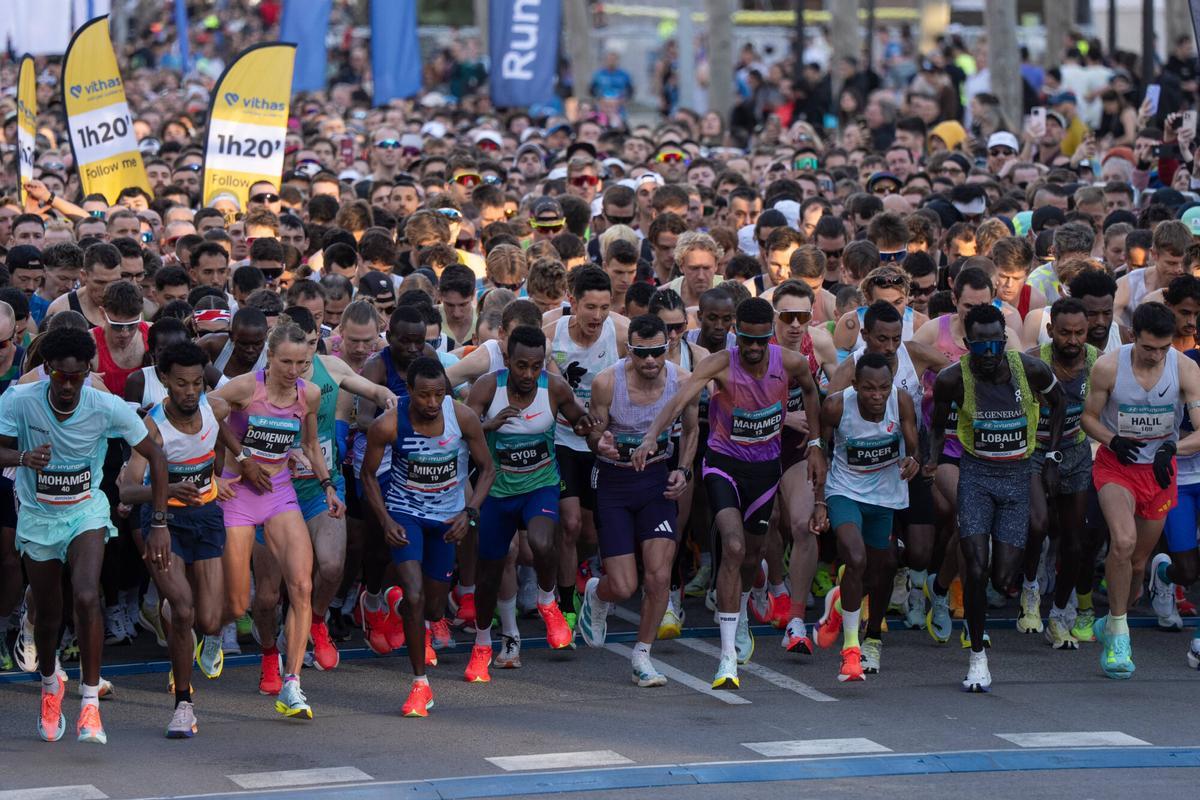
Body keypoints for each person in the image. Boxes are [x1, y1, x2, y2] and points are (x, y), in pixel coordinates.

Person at [635, 298, 824, 689]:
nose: (753, 349)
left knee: (752, 557)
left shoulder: (790, 362)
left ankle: (743, 602)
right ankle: (726, 658)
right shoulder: (719, 363)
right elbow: (679, 400)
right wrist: (652, 436)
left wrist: (817, 442)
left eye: (760, 341)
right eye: (746, 341)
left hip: (764, 469)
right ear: (736, 332)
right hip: (722, 464)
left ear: (769, 334)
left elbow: (810, 391)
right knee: (734, 547)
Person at [0, 327, 168, 744]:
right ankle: (49, 684)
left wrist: (160, 522)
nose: (68, 385)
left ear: (89, 370)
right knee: (48, 611)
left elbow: (157, 455)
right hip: (38, 516)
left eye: (77, 376)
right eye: (60, 376)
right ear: (46, 371)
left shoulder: (105, 405)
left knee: (88, 595)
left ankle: (89, 704)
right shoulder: (20, 401)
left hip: (85, 512)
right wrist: (23, 457)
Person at [210, 315, 343, 719]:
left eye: (301, 363)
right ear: (269, 358)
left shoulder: (310, 394)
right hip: (238, 494)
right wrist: (226, 468)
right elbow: (204, 414)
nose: (293, 371)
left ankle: (292, 684)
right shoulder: (248, 387)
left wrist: (327, 486)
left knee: (301, 585)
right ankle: (211, 633)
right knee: (237, 603)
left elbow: (310, 445)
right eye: (286, 362)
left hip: (279, 493)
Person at [930, 304, 1065, 692]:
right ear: (967, 343)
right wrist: (930, 461)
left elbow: (1059, 406)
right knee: (975, 566)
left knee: (1003, 576)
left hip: (1017, 478)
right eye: (979, 347)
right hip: (976, 477)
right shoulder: (952, 379)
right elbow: (937, 427)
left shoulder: (1030, 369)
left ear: (1003, 341)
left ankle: (941, 588)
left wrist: (1052, 456)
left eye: (995, 346)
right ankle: (976, 656)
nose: (988, 356)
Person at [360, 356, 495, 717]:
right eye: (424, 396)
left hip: (447, 520)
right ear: (408, 392)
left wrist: (471, 511)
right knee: (416, 594)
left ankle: (396, 605)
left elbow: (488, 469)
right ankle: (420, 685)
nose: (432, 403)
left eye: (439, 394)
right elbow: (368, 476)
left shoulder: (462, 417)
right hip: (407, 516)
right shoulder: (388, 424)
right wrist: (386, 519)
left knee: (433, 607)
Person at [464, 325, 593, 681]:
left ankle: (548, 601)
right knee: (488, 576)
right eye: (521, 366)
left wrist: (587, 425)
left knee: (541, 541)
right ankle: (482, 644)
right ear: (507, 360)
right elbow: (462, 425)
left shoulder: (554, 387)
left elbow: (579, 418)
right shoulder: (488, 386)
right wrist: (490, 424)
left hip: (540, 486)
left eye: (535, 366)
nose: (528, 375)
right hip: (497, 492)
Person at [578, 315, 698, 687]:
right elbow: (592, 436)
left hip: (656, 479)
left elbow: (692, 430)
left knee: (660, 575)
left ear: (668, 346)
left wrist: (684, 470)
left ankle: (642, 656)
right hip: (613, 481)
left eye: (657, 352)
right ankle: (598, 593)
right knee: (624, 586)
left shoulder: (680, 380)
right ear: (629, 351)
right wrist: (600, 443)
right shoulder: (606, 382)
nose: (650, 361)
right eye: (642, 354)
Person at [118, 341, 231, 738]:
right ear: (164, 380)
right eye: (181, 384)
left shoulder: (214, 407)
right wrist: (165, 491)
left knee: (212, 619)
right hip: (163, 523)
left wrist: (243, 459)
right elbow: (128, 489)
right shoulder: (151, 428)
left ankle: (176, 620)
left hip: (207, 516)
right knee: (184, 610)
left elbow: (223, 434)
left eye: (197, 383)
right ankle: (184, 705)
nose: (190, 392)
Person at [1082, 302, 1200, 679]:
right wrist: (1112, 440)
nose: (1156, 355)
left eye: (1164, 348)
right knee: (1123, 542)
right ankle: (1118, 636)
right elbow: (1088, 416)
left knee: (1135, 567)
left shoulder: (1184, 368)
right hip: (1117, 467)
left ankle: (1115, 620)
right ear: (1133, 337)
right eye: (1149, 348)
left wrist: (1173, 449)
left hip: (1160, 472)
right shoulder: (1109, 366)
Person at [811, 352, 920, 681]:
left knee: (881, 568)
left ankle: (845, 608)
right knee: (855, 558)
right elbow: (820, 455)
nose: (876, 396)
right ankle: (851, 651)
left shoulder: (900, 403)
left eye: (883, 388)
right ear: (855, 385)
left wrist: (913, 460)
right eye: (869, 389)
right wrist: (819, 502)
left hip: (884, 496)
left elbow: (914, 448)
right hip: (844, 491)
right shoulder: (836, 406)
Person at [543, 267, 628, 629]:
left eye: (604, 307)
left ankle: (579, 568)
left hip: (599, 440)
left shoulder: (620, 332)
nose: (597, 316)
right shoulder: (552, 333)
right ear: (572, 302)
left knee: (591, 531)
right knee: (570, 523)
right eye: (590, 307)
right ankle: (564, 603)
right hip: (561, 438)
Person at [1021, 298, 1100, 649]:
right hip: (1034, 451)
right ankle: (1030, 590)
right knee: (1038, 524)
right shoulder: (1033, 360)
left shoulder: (1097, 361)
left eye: (1079, 333)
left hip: (1076, 450)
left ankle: (1060, 614)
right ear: (1051, 330)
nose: (1072, 340)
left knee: (1075, 540)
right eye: (1064, 332)